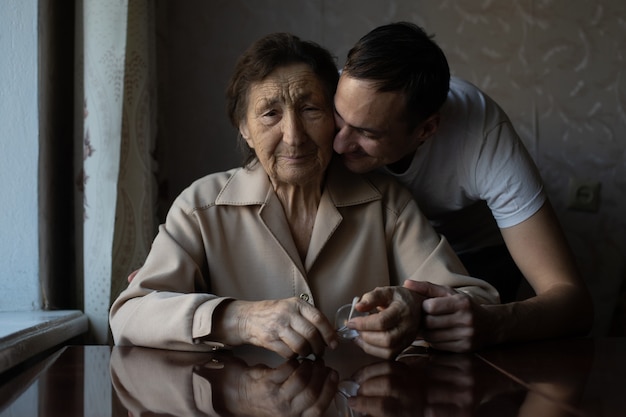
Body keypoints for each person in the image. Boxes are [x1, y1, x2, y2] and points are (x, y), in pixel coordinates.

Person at [109, 33, 499, 360]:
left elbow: (477, 300)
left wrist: (415, 310)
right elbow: (128, 315)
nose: (294, 136)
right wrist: (239, 318)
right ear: (244, 128)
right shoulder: (201, 207)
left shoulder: (386, 203)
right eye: (270, 114)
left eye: (310, 109)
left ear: (335, 116)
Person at [333, 22, 593, 352]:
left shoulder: (483, 137)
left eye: (367, 134)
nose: (339, 144)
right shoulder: (340, 91)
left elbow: (574, 303)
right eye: (338, 117)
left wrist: (494, 322)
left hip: (474, 258)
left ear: (426, 129)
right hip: (379, 248)